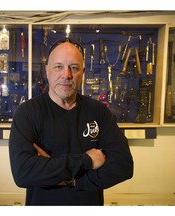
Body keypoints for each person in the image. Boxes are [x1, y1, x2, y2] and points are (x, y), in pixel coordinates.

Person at [8, 37, 133, 206]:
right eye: (58, 66)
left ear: (82, 71)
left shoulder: (99, 112)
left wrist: (70, 181)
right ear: (47, 70)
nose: (66, 75)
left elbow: (123, 166)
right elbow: (24, 173)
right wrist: (87, 161)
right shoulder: (28, 113)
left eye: (73, 68)